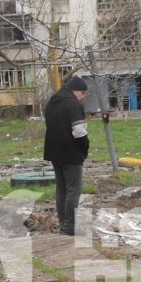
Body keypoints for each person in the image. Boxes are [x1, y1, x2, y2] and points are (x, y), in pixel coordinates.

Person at [43, 75, 90, 236]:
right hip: (71, 153)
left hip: (55, 152)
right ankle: (70, 227)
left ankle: (64, 223)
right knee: (73, 190)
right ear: (75, 91)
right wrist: (85, 149)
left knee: (61, 189)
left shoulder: (52, 102)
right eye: (83, 94)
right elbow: (79, 132)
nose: (83, 97)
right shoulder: (72, 104)